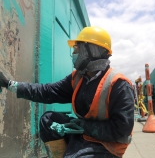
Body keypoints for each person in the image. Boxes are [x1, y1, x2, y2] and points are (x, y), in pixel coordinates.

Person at [0, 26, 134, 158]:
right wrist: (10, 85)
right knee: (49, 120)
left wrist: (83, 126)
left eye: (77, 49)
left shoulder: (119, 85)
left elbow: (121, 131)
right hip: (85, 133)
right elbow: (47, 91)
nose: (73, 54)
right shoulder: (78, 77)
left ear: (92, 51)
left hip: (107, 144)